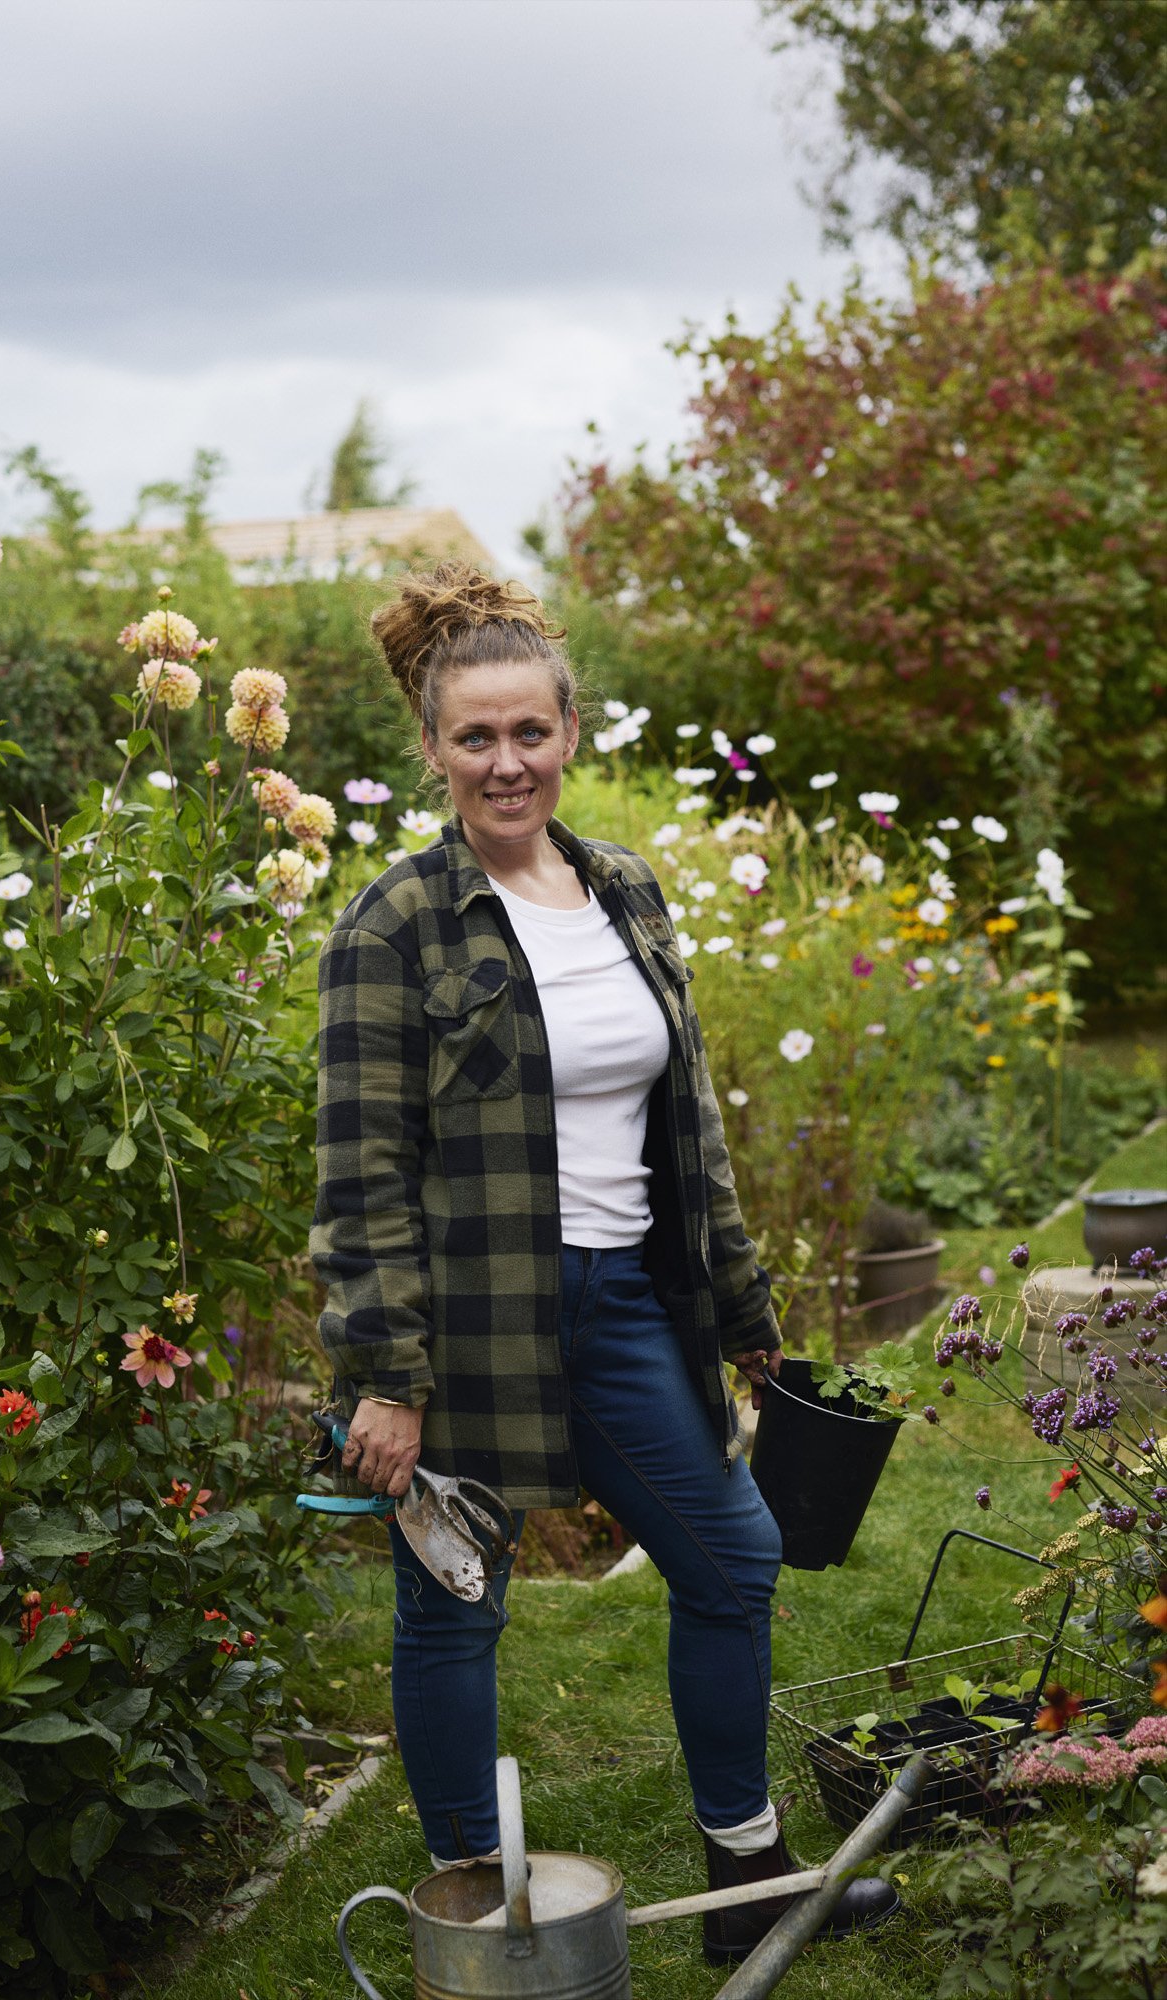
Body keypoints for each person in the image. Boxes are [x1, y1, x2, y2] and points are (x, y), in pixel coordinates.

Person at [309, 562, 898, 1960]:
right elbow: (360, 1171)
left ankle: (745, 1880)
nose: (505, 763)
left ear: (570, 733)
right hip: (468, 1325)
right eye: (475, 738)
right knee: (455, 1601)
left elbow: (683, 1120)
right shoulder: (391, 927)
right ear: (435, 748)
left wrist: (743, 1306)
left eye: (529, 733)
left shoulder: (625, 891)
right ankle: (475, 1909)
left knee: (732, 1560)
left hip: (629, 1299)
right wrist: (384, 1376)